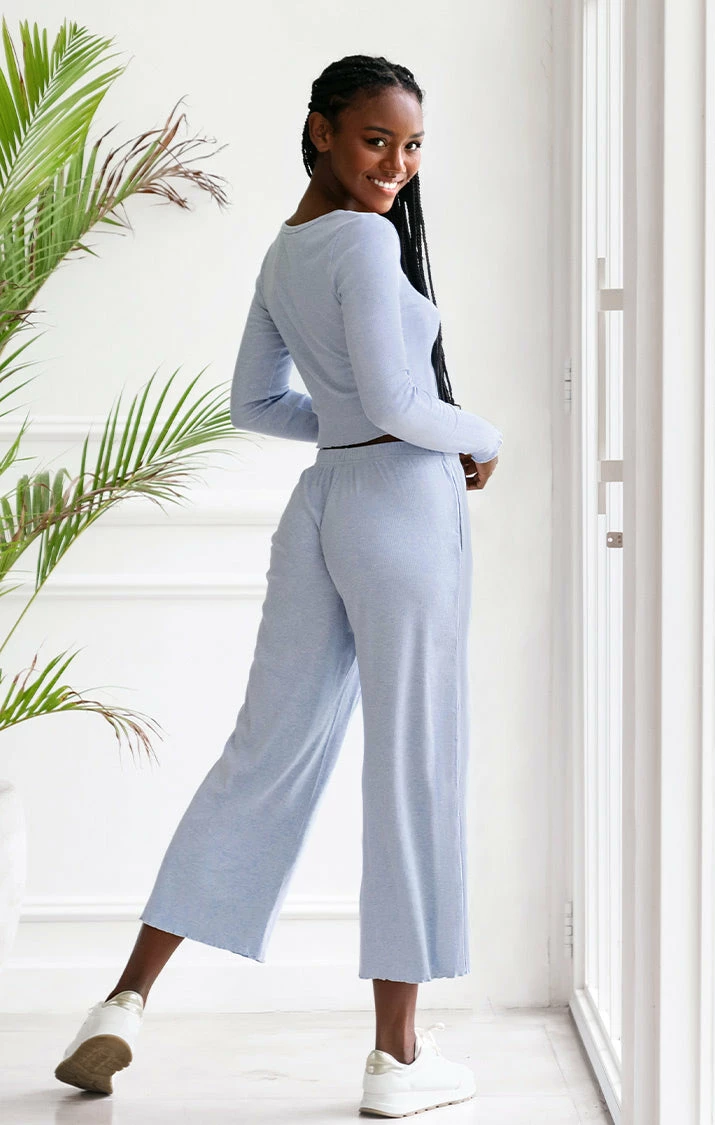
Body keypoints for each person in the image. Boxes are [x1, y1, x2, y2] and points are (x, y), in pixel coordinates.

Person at [53, 54, 502, 1117]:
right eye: (376, 139)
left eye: (412, 145)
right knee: (413, 765)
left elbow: (256, 403)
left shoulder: (289, 246)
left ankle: (123, 999)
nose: (396, 164)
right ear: (320, 130)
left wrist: (347, 427)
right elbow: (397, 402)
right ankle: (398, 1058)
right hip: (399, 506)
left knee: (261, 753)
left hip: (322, 507)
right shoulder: (365, 242)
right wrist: (482, 435)